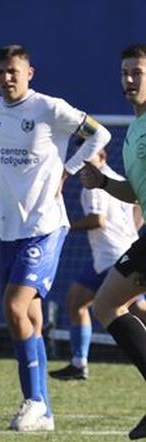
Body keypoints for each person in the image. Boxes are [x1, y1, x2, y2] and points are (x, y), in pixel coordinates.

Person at [0, 44, 109, 432]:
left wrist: (68, 170)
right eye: (1, 71)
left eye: (14, 71)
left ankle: (33, 400)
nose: (7, 78)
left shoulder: (50, 109)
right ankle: (45, 413)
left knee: (15, 308)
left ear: (29, 73)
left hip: (46, 226)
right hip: (9, 230)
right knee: (31, 318)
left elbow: (98, 134)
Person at [81, 43, 146, 440]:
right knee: (107, 303)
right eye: (124, 73)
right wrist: (104, 183)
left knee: (107, 303)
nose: (128, 80)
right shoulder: (134, 129)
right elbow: (138, 193)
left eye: (137, 72)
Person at [52, 146, 145, 381]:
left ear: (103, 155)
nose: (84, 157)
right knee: (79, 300)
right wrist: (130, 232)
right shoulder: (119, 178)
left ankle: (79, 362)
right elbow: (138, 206)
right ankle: (78, 362)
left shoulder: (95, 183)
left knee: (124, 307)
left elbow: (98, 220)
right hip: (118, 250)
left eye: (91, 152)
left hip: (111, 253)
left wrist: (64, 226)